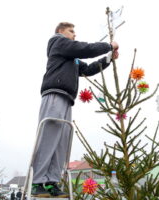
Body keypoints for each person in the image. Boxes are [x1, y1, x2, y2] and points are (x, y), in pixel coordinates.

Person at [31, 22, 119, 198]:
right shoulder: (59, 43)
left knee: (61, 142)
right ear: (60, 32)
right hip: (54, 94)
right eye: (71, 31)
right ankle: (38, 182)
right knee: (49, 136)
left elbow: (88, 69)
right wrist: (108, 45)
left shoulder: (71, 59)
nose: (74, 34)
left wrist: (108, 57)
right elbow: (84, 48)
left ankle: (51, 183)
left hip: (67, 99)